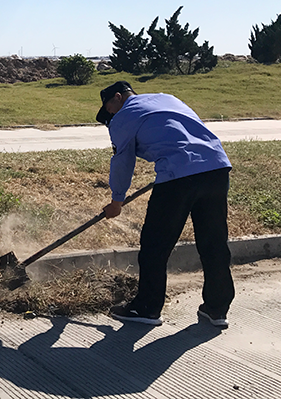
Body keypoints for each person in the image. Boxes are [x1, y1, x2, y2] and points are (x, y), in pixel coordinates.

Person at [96, 81, 234, 328]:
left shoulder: (124, 115)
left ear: (118, 97)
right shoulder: (167, 99)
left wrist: (117, 200)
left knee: (155, 245)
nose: (110, 116)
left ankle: (147, 308)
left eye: (109, 109)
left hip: (178, 178)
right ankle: (217, 308)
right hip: (216, 167)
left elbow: (122, 161)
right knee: (213, 242)